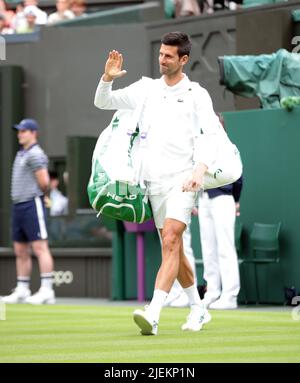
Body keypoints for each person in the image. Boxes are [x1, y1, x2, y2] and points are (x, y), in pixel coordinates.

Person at [94, 31, 227, 336]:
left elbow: (210, 136)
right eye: (160, 54)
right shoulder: (145, 89)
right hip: (152, 182)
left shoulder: (197, 94)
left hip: (184, 180)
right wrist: (107, 77)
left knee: (170, 240)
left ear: (184, 59)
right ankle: (199, 308)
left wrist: (200, 170)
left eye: (169, 56)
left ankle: (153, 313)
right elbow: (103, 102)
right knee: (175, 251)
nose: (162, 60)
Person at [1, 119, 56, 305]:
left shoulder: (35, 154)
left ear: (34, 133)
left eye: (24, 131)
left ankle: (47, 290)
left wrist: (41, 197)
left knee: (40, 247)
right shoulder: (21, 153)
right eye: (19, 131)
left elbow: (44, 182)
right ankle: (22, 289)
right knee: (20, 249)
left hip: (32, 203)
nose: (20, 134)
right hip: (18, 205)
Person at [198, 175, 243, 309]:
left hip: (223, 196)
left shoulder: (228, 152)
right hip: (203, 196)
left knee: (226, 249)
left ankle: (230, 296)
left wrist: (236, 199)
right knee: (208, 249)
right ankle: (211, 293)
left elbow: (237, 174)